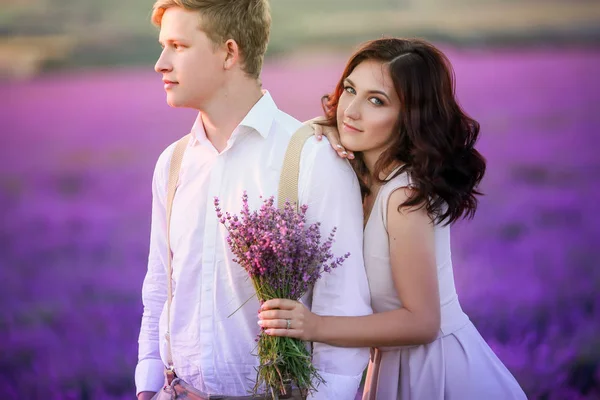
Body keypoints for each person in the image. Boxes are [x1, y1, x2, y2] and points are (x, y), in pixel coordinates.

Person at [258, 38, 527, 399]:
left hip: (439, 372)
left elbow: (423, 323)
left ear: (410, 117)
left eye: (376, 101)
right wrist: (314, 130)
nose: (350, 111)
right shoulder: (358, 175)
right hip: (393, 365)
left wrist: (314, 326)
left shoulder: (404, 196)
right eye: (350, 90)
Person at [135, 1, 372, 399]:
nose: (161, 62)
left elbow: (342, 308)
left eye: (178, 45)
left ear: (229, 52)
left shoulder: (312, 160)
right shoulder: (172, 163)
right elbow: (160, 285)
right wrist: (147, 386)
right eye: (164, 45)